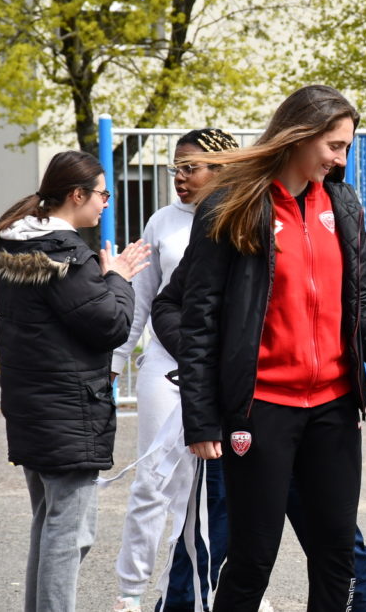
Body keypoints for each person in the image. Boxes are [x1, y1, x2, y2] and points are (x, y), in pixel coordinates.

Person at [152, 223, 366, 612]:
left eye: (343, 157)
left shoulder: (335, 211)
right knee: (245, 556)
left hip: (326, 421)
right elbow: (171, 307)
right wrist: (217, 373)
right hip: (251, 418)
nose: (337, 161)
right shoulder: (233, 217)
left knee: (339, 556)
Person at [177, 84, 366, 610]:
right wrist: (201, 419)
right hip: (261, 409)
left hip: (332, 406)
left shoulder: (342, 204)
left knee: (335, 555)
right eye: (334, 145)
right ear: (301, 135)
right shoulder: (231, 205)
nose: (341, 158)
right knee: (253, 557)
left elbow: (359, 300)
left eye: (346, 146)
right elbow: (200, 319)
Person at [0, 150, 150, 612]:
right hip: (68, 411)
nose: (105, 205)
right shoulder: (64, 254)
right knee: (70, 534)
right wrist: (118, 278)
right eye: (102, 194)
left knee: (49, 523)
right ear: (76, 195)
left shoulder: (22, 245)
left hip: (35, 407)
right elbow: (111, 325)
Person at [110, 129, 239, 612]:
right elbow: (144, 299)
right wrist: (115, 365)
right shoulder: (162, 221)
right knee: (155, 478)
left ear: (221, 168)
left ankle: (188, 587)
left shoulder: (241, 215)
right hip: (168, 362)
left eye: (191, 167)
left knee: (213, 491)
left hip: (226, 369)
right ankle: (130, 590)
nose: (180, 178)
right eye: (175, 168)